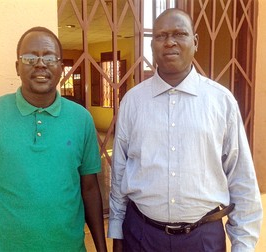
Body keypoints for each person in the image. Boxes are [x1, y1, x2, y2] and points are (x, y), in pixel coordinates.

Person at [108, 8, 263, 252]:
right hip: (142, 236)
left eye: (179, 33)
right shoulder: (133, 101)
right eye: (160, 36)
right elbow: (119, 172)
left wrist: (242, 244)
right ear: (152, 44)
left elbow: (241, 177)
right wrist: (117, 231)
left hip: (203, 238)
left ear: (195, 41)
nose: (169, 42)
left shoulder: (221, 101)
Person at [0, 26, 107, 252]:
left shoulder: (81, 119)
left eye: (49, 57)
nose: (40, 64)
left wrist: (102, 248)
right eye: (30, 57)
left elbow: (89, 189)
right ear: (17, 67)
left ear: (61, 67)